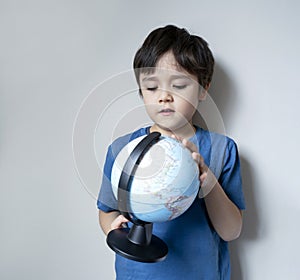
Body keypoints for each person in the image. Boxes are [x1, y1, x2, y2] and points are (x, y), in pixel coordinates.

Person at [97, 25, 245, 280]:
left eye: (178, 85)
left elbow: (231, 231)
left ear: (202, 89)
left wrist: (207, 181)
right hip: (138, 275)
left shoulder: (222, 149)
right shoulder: (123, 150)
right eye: (152, 87)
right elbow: (108, 209)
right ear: (141, 92)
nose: (164, 96)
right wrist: (111, 226)